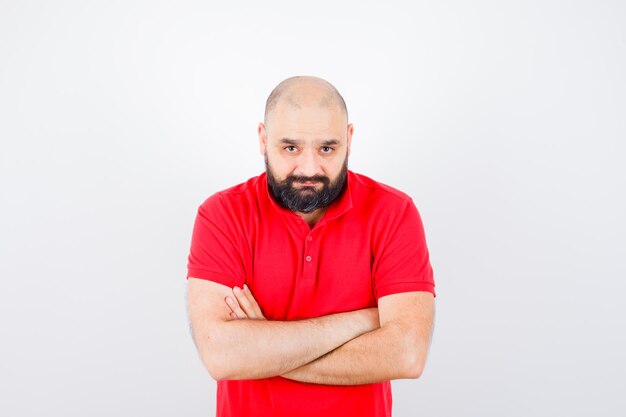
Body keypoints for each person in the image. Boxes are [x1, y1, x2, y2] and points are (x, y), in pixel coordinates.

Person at [186, 75, 436, 417]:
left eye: (327, 149)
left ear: (349, 139)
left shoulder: (394, 213)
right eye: (290, 147)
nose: (308, 168)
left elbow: (407, 354)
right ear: (263, 139)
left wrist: (263, 350)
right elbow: (221, 355)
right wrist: (360, 322)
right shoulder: (222, 215)